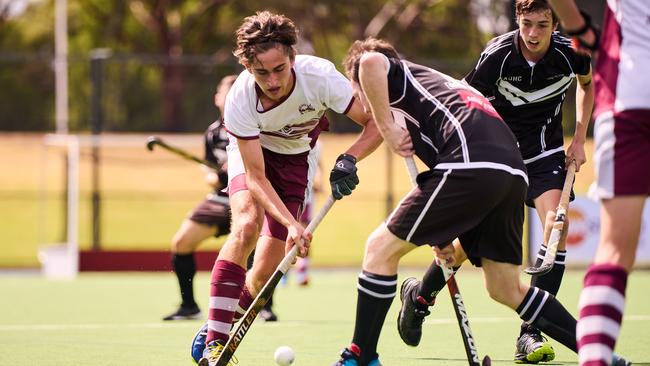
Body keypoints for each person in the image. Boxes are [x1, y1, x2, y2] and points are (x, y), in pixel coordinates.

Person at [332, 37, 596, 366]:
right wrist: (441, 230)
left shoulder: (396, 76)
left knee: (378, 249)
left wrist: (384, 126)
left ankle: (360, 357)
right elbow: (447, 177)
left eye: (358, 94)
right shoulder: (433, 91)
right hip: (512, 172)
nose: (365, 105)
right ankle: (601, 355)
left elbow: (369, 61)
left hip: (473, 165)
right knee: (506, 289)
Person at [396, 0, 594, 363]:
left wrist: (579, 137)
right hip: (497, 153)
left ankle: (529, 334)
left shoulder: (572, 54)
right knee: (470, 245)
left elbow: (586, 85)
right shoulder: (497, 55)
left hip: (543, 154)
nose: (532, 34)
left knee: (556, 229)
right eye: (526, 24)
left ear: (555, 25)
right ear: (518, 20)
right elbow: (462, 100)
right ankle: (421, 294)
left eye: (542, 25)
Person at [197, 11, 381, 366]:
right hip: (253, 157)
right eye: (261, 72)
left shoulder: (320, 77)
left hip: (297, 160)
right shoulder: (240, 98)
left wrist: (349, 159)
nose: (273, 80)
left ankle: (216, 322)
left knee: (265, 274)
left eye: (279, 69)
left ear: (292, 58)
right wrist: (294, 225)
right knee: (247, 224)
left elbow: (374, 125)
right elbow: (256, 178)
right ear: (248, 68)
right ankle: (216, 343)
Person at [546, 1, 650, 366]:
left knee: (614, 252)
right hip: (626, 98)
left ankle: (594, 360)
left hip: (628, 96)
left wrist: (580, 29)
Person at [163, 75, 278, 322]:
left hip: (252, 196)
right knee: (181, 243)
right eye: (225, 92)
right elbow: (207, 167)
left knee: (261, 249)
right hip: (220, 199)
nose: (230, 97)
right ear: (217, 99)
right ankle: (189, 305)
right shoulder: (213, 133)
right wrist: (212, 176)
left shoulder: (258, 126)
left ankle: (263, 306)